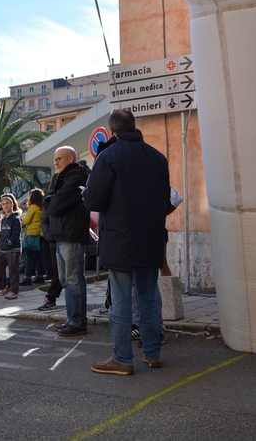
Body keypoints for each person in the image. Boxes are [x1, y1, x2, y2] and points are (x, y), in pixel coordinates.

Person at [82, 109, 171, 375]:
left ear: (112, 131)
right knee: (148, 298)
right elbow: (164, 200)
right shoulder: (158, 158)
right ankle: (153, 354)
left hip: (121, 241)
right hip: (151, 239)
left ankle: (122, 358)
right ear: (134, 127)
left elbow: (94, 200)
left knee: (120, 301)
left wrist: (87, 195)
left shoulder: (108, 157)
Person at [44, 146, 91, 337]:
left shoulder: (76, 177)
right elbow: (51, 204)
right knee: (65, 280)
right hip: (62, 235)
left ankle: (79, 322)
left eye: (59, 159)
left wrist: (50, 199)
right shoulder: (64, 178)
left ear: (70, 158)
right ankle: (73, 319)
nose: (55, 163)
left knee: (73, 279)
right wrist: (50, 199)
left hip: (71, 235)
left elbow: (53, 206)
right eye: (54, 159)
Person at [0, 194, 22, 299]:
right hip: (3, 249)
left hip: (13, 250)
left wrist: (9, 242)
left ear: (12, 204)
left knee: (13, 271)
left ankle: (14, 291)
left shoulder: (16, 218)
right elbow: (1, 232)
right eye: (3, 204)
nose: (5, 206)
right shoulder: (4, 219)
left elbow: (16, 234)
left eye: (7, 203)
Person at [37, 173, 62, 311]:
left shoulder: (71, 194)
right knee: (57, 271)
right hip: (53, 239)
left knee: (68, 273)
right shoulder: (49, 197)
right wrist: (48, 234)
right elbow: (44, 219)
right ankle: (51, 298)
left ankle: (51, 297)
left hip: (67, 237)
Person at [21, 188, 47, 284]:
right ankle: (40, 276)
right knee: (39, 257)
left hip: (32, 234)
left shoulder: (33, 207)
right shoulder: (42, 207)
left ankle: (28, 277)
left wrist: (22, 216)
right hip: (41, 234)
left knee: (30, 257)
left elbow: (26, 221)